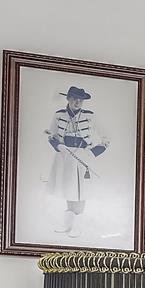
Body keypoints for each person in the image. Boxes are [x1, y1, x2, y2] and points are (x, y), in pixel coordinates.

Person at [45, 85, 108, 236]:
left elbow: (106, 136)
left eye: (80, 100)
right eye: (74, 98)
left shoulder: (90, 115)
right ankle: (68, 225)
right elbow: (51, 135)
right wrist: (59, 146)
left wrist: (93, 153)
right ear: (68, 98)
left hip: (82, 157)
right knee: (68, 189)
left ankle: (78, 226)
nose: (77, 102)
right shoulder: (59, 114)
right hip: (64, 156)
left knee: (81, 191)